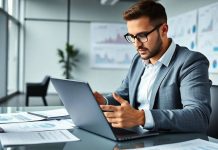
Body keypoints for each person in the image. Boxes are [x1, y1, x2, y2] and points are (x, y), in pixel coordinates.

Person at [94, 0, 211, 132]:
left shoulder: (190, 62)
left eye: (142, 36)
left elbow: (199, 117)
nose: (137, 45)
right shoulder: (138, 60)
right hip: (137, 139)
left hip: (169, 142)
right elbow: (123, 96)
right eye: (132, 37)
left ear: (164, 30)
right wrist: (104, 101)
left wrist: (141, 117)